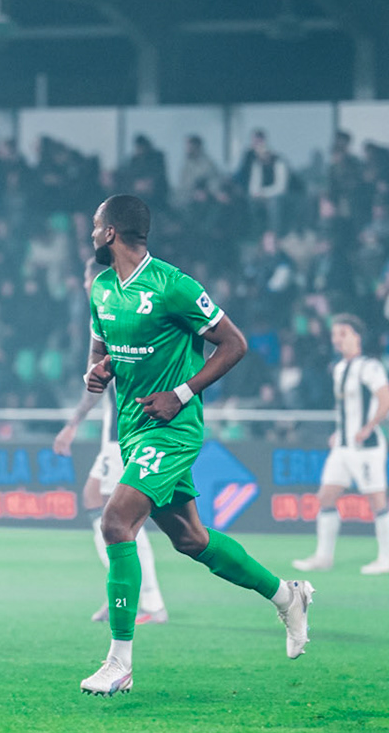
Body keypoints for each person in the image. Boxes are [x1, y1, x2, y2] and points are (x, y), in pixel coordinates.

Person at [77, 194, 313, 696]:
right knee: (190, 539)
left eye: (97, 226)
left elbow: (235, 344)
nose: (93, 233)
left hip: (173, 428)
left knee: (116, 521)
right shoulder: (101, 288)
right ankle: (286, 596)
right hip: (135, 427)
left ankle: (119, 662)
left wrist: (182, 394)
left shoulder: (173, 285)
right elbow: (104, 352)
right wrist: (98, 372)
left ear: (113, 232)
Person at [55, 263, 169, 626]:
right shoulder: (108, 315)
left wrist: (72, 425)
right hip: (117, 433)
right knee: (100, 505)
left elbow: (109, 381)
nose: (87, 284)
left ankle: (148, 601)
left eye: (89, 278)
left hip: (127, 435)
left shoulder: (119, 313)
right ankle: (122, 592)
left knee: (120, 519)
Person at [294, 316, 389, 575]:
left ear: (357, 337)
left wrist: (369, 426)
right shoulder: (339, 368)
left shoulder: (370, 367)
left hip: (367, 446)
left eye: (343, 333)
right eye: (334, 334)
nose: (337, 339)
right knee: (326, 496)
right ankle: (323, 557)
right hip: (342, 445)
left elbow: (387, 399)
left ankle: (386, 559)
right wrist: (339, 432)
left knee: (377, 501)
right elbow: (344, 408)